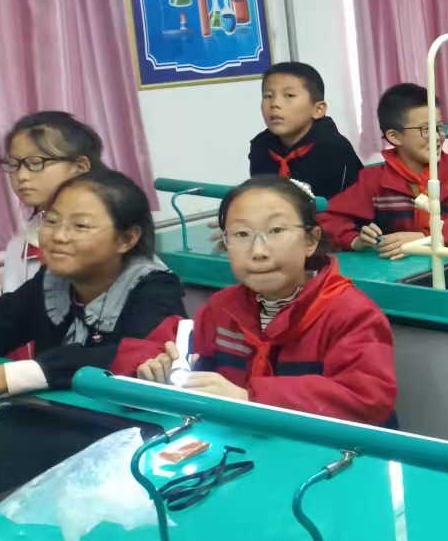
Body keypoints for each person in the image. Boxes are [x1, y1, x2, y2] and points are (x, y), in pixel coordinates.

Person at [117, 177, 396, 425]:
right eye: (241, 234)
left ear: (311, 240)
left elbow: (365, 398)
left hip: (330, 455)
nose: (258, 251)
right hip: (243, 448)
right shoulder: (224, 308)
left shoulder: (350, 312)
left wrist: (249, 398)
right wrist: (147, 367)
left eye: (276, 231)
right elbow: (158, 345)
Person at [0, 168, 186, 401]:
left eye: (80, 225)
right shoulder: (52, 282)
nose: (58, 236)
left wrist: (9, 376)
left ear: (127, 238)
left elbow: (130, 357)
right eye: (52, 220)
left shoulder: (156, 289)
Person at [320, 83, 448, 257]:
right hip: (401, 271)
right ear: (394, 136)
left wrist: (425, 238)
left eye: (440, 127)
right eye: (426, 129)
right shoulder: (375, 180)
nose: (438, 137)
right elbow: (328, 219)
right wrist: (355, 240)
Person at [0, 111, 103, 293]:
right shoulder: (18, 247)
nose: (21, 176)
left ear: (80, 167)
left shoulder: (110, 233)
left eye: (36, 162)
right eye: (14, 164)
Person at [248, 62, 363, 199]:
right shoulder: (260, 146)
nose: (275, 104)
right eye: (268, 96)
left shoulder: (333, 149)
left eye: (289, 95)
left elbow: (344, 205)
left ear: (318, 109)